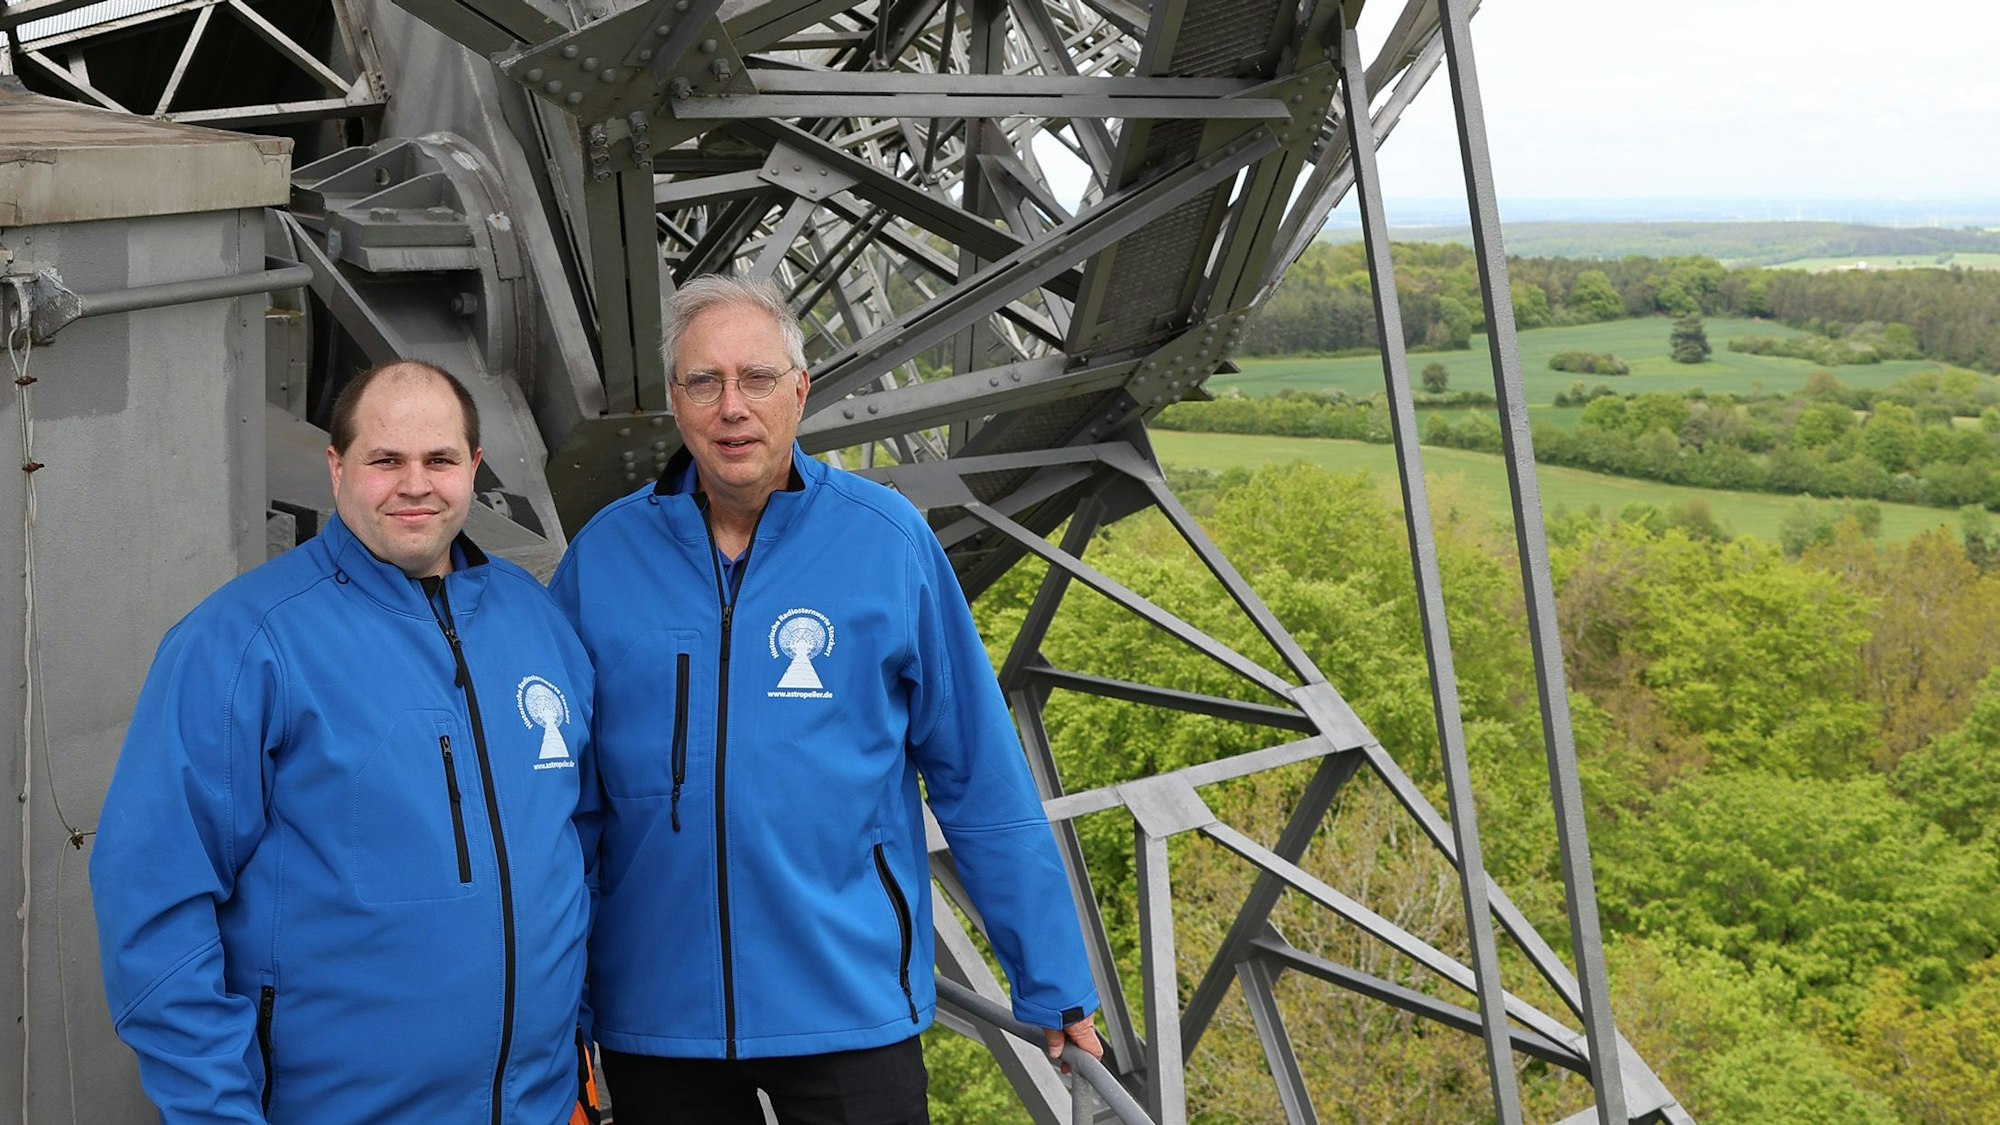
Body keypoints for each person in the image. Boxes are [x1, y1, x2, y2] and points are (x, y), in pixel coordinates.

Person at [549, 275, 1102, 1124]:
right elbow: (562, 808)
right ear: (675, 400)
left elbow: (976, 770)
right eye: (705, 382)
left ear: (800, 390)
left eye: (758, 378)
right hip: (658, 1021)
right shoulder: (602, 560)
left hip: (847, 1008)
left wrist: (1052, 976)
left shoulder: (886, 542)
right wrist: (562, 1005)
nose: (733, 406)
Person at [90, 360, 601, 1124]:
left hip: (541, 1105)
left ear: (474, 467)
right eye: (385, 460)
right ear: (337, 467)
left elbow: (580, 846)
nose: (415, 484)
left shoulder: (538, 623)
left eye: (439, 459)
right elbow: (153, 902)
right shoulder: (241, 644)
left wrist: (580, 1043)